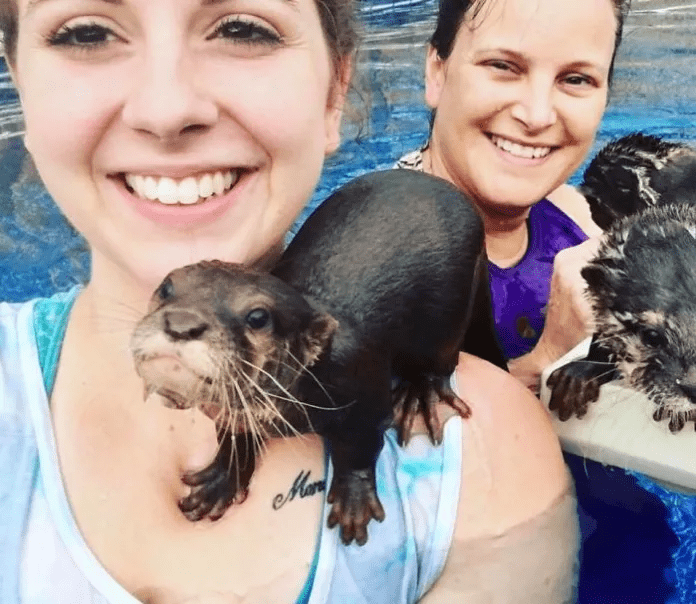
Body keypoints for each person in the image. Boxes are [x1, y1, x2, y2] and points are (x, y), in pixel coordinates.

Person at [0, 0, 576, 602]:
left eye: (243, 28)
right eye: (86, 32)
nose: (166, 110)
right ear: (19, 82)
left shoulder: (486, 464)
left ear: (335, 94)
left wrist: (382, 442)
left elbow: (349, 411)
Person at [396, 0, 630, 392]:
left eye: (576, 79)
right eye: (503, 67)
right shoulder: (381, 250)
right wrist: (548, 358)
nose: (537, 116)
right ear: (437, 71)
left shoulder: (576, 219)